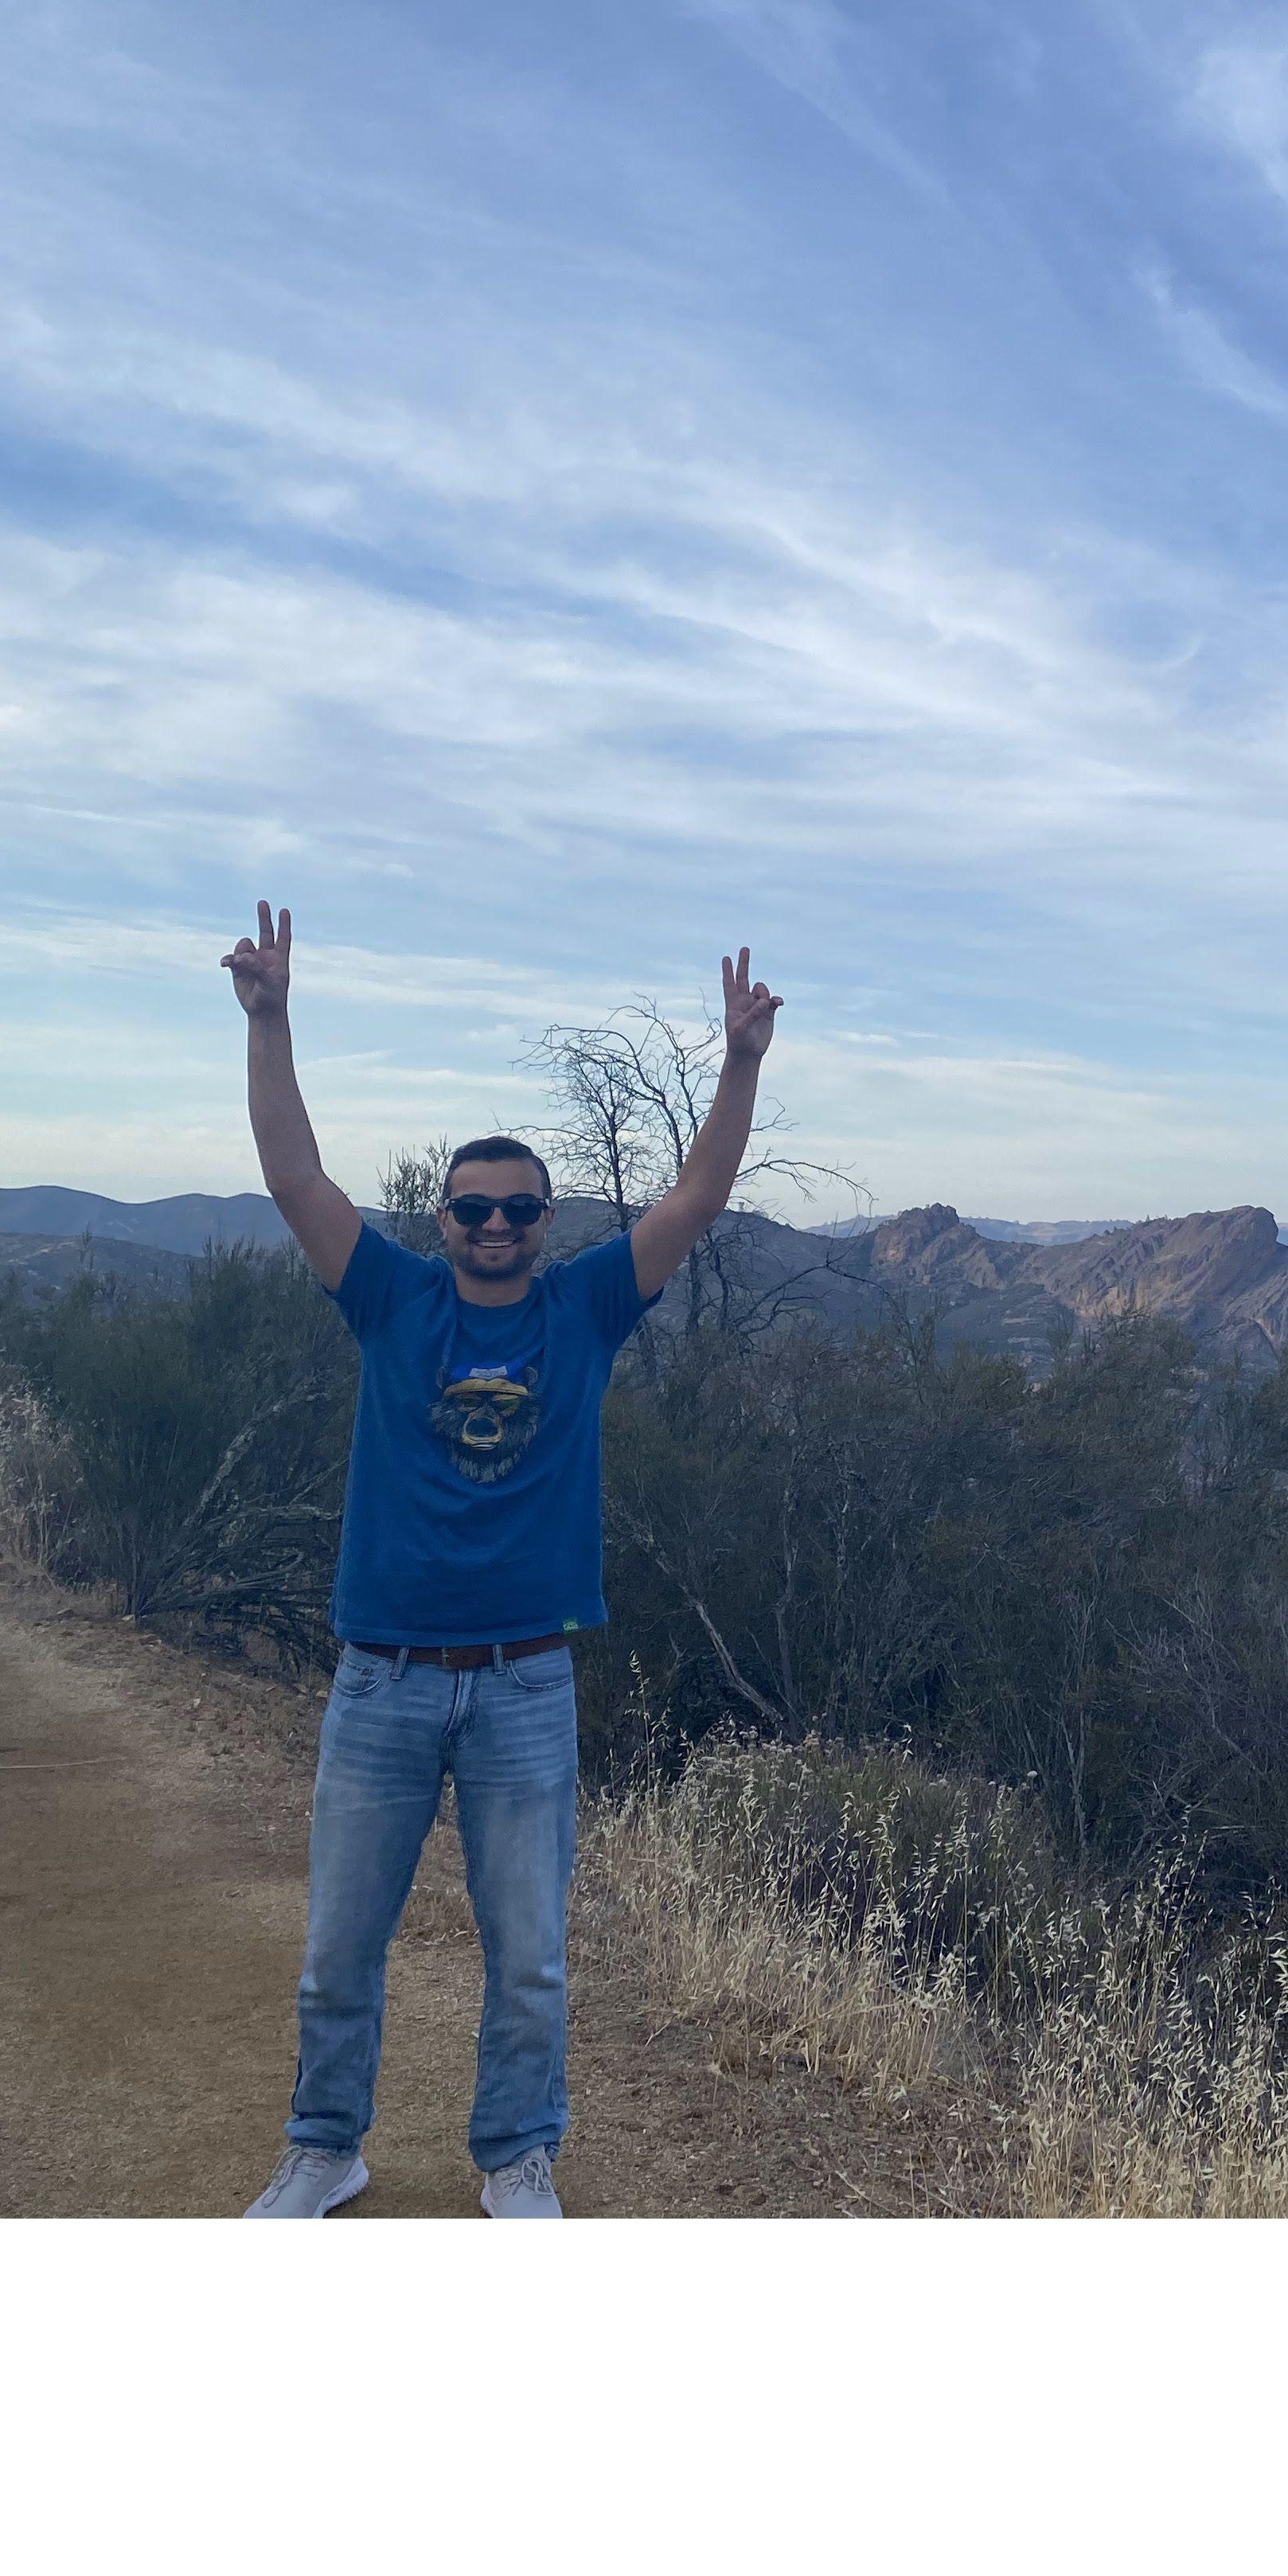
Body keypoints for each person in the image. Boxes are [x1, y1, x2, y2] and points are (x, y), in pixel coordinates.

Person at [220, 903, 781, 2218]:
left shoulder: (586, 1307)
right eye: (474, 1208)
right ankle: (323, 2146)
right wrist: (270, 1022)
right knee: (338, 1952)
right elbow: (296, 1176)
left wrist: (741, 1069)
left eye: (520, 1208)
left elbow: (697, 1197)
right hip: (383, 1680)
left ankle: (517, 2154)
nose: (495, 1226)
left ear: (543, 1220)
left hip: (527, 1686)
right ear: (443, 1214)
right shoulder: (392, 1296)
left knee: (528, 1956)